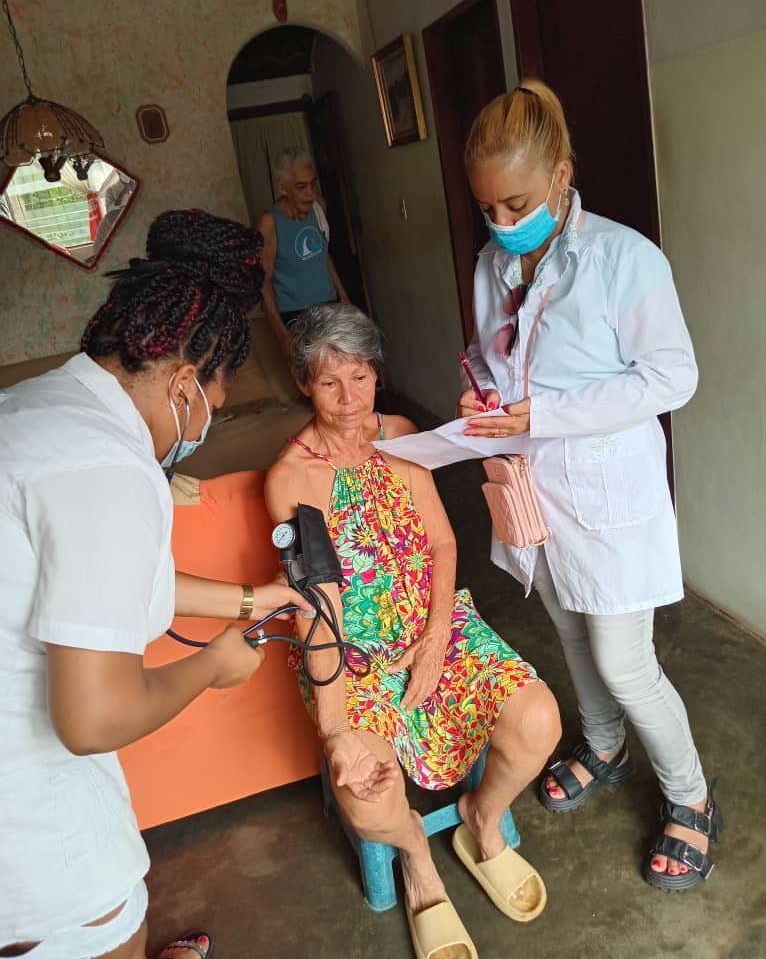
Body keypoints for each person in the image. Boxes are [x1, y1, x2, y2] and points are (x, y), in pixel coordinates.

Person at [0, 209, 312, 959]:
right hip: (34, 839)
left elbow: (96, 584)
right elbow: (93, 717)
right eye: (214, 403)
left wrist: (248, 599)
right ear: (184, 384)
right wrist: (212, 666)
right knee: (110, 936)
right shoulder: (110, 468)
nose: (203, 427)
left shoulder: (39, 408)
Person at [457, 80, 721, 892]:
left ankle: (691, 799)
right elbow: (490, 353)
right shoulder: (491, 263)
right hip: (535, 488)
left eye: (518, 204)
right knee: (569, 630)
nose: (503, 226)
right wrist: (484, 394)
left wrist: (551, 409)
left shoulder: (623, 258)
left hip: (606, 491)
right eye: (489, 210)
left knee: (624, 656)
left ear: (562, 174)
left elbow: (674, 377)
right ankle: (602, 745)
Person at [266, 303, 561, 959]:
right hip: (353, 652)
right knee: (365, 790)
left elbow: (442, 543)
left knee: (539, 719)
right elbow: (318, 607)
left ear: (377, 375)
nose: (349, 400)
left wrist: (433, 641)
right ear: (302, 384)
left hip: (438, 621)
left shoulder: (400, 435)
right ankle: (415, 861)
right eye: (328, 382)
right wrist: (337, 728)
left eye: (361, 377)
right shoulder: (292, 479)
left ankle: (481, 822)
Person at [257, 148, 349, 356]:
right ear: (283, 188)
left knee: (337, 366)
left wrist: (343, 295)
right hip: (295, 314)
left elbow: (323, 254)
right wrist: (282, 335)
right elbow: (263, 282)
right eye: (301, 187)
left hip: (328, 304)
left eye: (312, 184)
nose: (310, 193)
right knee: (311, 377)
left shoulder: (318, 207)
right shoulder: (270, 222)